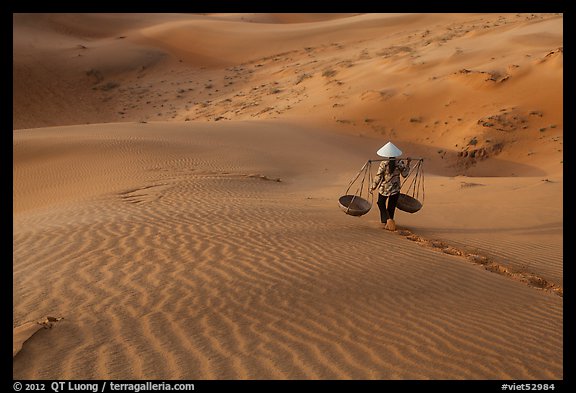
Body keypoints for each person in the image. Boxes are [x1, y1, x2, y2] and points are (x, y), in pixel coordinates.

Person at [370, 142, 411, 231]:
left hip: (384, 188)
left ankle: (386, 220)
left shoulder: (383, 163)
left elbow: (379, 176)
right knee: (391, 206)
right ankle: (389, 221)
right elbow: (404, 174)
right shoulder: (400, 162)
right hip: (395, 188)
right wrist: (408, 163)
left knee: (380, 203)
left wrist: (373, 186)